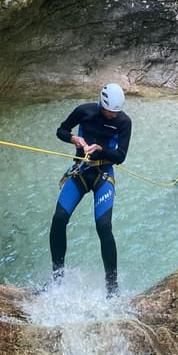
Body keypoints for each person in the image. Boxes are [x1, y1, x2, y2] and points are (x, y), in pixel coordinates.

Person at [49, 83, 132, 297]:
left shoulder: (124, 122)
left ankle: (112, 289)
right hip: (81, 171)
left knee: (104, 226)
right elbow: (61, 130)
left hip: (103, 174)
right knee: (59, 219)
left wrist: (102, 150)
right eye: (109, 112)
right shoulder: (84, 111)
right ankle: (57, 278)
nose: (113, 116)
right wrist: (73, 138)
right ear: (101, 104)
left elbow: (121, 156)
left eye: (116, 112)